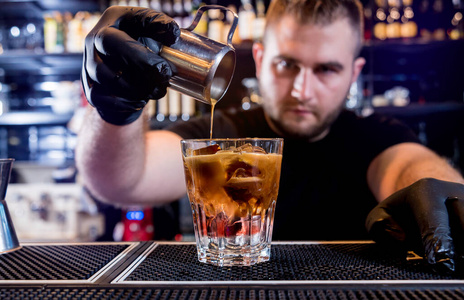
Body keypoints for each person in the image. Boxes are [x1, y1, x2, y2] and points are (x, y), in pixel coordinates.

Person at [76, 0, 464, 273]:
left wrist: (441, 191)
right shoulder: (222, 133)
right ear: (260, 59)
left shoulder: (375, 137)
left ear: (353, 72)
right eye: (287, 64)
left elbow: (409, 167)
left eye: (327, 69)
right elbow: (122, 180)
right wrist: (114, 111)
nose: (301, 89)